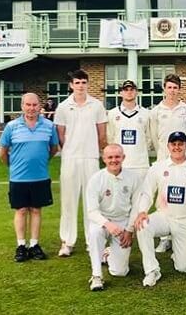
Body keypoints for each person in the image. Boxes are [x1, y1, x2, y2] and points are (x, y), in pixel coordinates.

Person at [134, 131, 186, 287]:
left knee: (183, 268)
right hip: (164, 216)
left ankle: (180, 253)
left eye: (180, 144)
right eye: (174, 144)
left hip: (185, 220)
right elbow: (147, 192)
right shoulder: (158, 167)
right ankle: (152, 270)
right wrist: (142, 211)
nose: (177, 147)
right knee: (143, 225)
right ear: (168, 146)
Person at [0, 93, 59, 262]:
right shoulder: (11, 126)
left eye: (34, 105)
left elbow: (54, 148)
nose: (31, 108)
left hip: (40, 177)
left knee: (36, 210)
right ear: (22, 106)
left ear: (40, 106)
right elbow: (2, 152)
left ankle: (34, 245)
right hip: (18, 178)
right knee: (21, 210)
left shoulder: (48, 126)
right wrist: (13, 166)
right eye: (28, 105)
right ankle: (21, 246)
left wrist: (41, 161)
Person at [54, 69, 107, 257]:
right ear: (71, 85)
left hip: (91, 158)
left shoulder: (97, 105)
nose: (80, 86)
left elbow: (101, 133)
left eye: (84, 82)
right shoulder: (63, 106)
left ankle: (91, 240)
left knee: (91, 201)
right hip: (70, 159)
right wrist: (68, 150)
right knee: (68, 201)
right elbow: (60, 134)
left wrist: (99, 151)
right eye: (77, 83)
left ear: (87, 84)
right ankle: (67, 242)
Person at [86, 144, 143, 291]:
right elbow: (91, 211)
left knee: (120, 272)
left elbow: (136, 207)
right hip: (102, 221)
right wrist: (107, 224)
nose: (114, 160)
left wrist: (129, 231)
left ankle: (107, 253)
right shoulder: (96, 179)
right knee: (94, 233)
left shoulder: (133, 178)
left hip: (123, 222)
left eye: (117, 156)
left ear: (123, 157)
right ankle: (97, 276)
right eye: (110, 157)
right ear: (104, 159)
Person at [149, 73, 186, 253]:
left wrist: (182, 152)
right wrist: (164, 153)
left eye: (175, 87)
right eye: (169, 87)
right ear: (164, 88)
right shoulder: (156, 111)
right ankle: (164, 237)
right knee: (164, 198)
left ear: (179, 90)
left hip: (183, 159)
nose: (172, 90)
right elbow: (154, 136)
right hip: (163, 160)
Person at [107, 79, 151, 178]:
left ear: (136, 92)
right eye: (126, 90)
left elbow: (149, 139)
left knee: (141, 193)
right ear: (120, 93)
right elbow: (110, 139)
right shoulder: (112, 114)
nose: (129, 92)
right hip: (120, 164)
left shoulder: (146, 113)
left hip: (140, 165)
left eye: (132, 89)